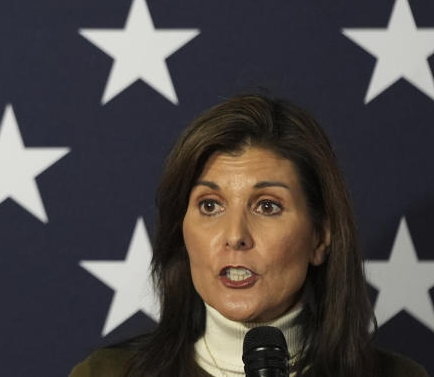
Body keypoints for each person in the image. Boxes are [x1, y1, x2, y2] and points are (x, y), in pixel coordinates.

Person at [69, 94, 429, 376]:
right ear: (181, 232)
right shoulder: (108, 374)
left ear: (320, 237)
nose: (235, 236)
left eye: (267, 206)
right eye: (210, 206)